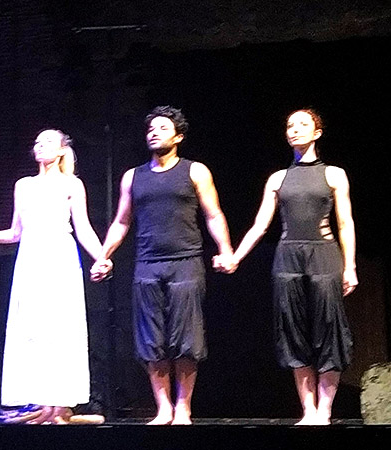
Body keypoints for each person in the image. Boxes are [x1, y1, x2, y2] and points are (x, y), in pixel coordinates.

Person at [90, 106, 233, 425]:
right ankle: (163, 408)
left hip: (186, 261)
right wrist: (104, 256)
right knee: (151, 340)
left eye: (163, 128)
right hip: (147, 264)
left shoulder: (195, 171)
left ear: (178, 137)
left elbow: (213, 214)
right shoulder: (133, 176)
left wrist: (226, 250)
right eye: (151, 128)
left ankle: (183, 408)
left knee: (186, 339)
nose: (154, 132)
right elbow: (122, 221)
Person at [219, 109, 356, 425]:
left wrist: (349, 266)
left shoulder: (334, 174)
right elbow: (260, 225)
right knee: (294, 331)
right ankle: (308, 411)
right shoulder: (277, 178)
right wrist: (236, 256)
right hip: (287, 257)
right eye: (290, 125)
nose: (295, 129)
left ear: (317, 133)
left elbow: (345, 223)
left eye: (303, 124)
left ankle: (325, 411)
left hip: (324, 254)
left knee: (328, 330)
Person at [0, 129, 104, 424]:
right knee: (33, 328)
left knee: (60, 328)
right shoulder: (24, 185)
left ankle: (60, 404)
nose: (40, 145)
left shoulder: (71, 184)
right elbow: (15, 232)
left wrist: (102, 257)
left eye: (48, 141)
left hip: (60, 258)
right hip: (30, 260)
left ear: (62, 150)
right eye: (37, 142)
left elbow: (83, 228)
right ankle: (41, 403)